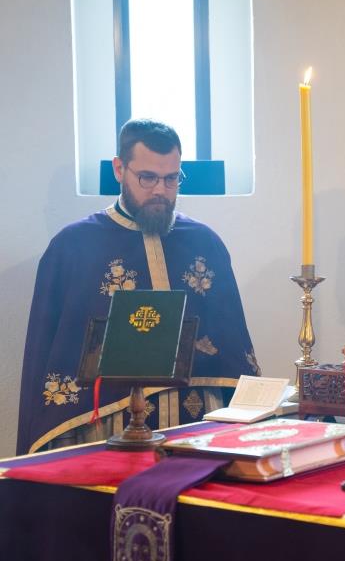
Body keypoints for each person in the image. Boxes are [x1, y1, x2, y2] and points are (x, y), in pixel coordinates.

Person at [17, 119, 259, 455]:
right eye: (147, 177)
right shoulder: (71, 247)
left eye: (171, 178)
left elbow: (233, 352)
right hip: (104, 428)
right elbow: (45, 353)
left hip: (196, 427)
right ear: (119, 169)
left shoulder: (206, 243)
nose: (160, 190)